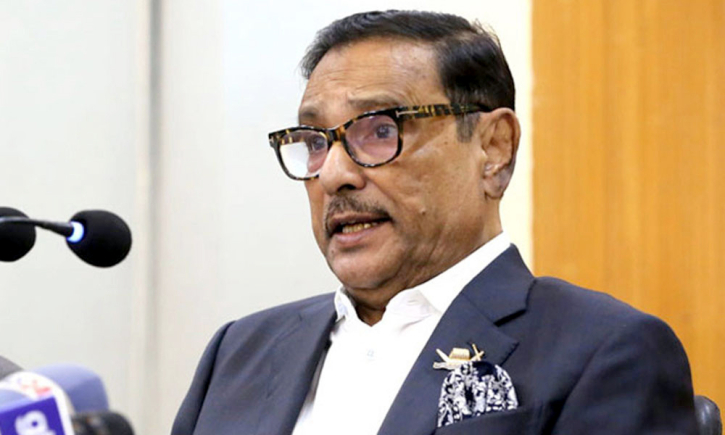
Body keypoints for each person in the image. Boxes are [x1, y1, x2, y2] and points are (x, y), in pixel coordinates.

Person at [172, 10, 697, 434]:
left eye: (380, 131)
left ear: (493, 148)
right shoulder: (240, 351)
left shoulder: (601, 351)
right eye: (315, 141)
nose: (333, 174)